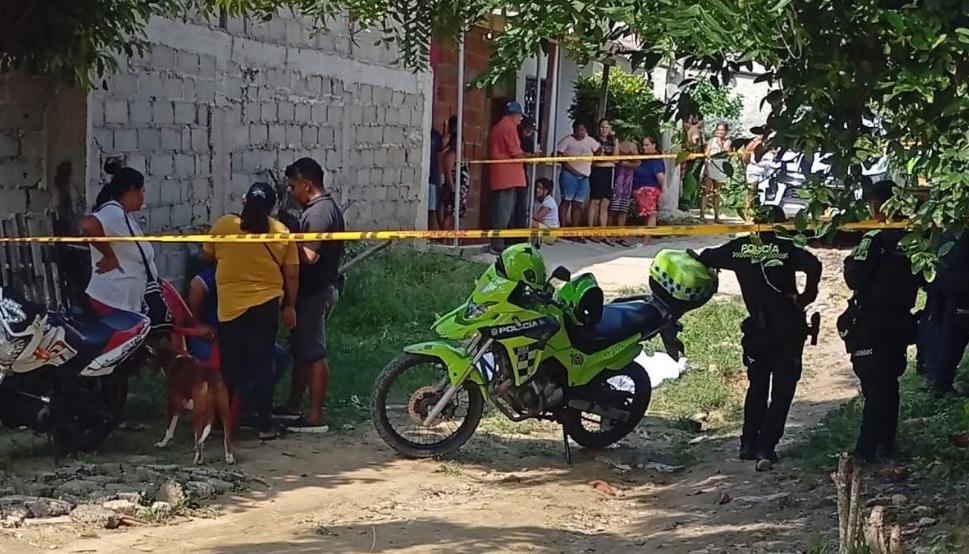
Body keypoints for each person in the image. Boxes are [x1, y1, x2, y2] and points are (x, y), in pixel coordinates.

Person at [699, 206, 822, 470]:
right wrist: (806, 297)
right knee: (782, 390)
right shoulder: (786, 248)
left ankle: (747, 444)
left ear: (755, 226)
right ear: (779, 227)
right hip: (788, 327)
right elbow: (814, 265)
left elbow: (706, 257)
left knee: (757, 386)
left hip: (759, 328)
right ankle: (766, 446)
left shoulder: (741, 248)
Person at [204, 182, 299, 441]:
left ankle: (216, 425)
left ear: (244, 200)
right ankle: (264, 426)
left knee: (229, 368)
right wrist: (290, 306)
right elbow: (291, 274)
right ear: (272, 207)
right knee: (262, 364)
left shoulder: (223, 225)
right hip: (266, 305)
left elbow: (207, 255)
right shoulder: (281, 232)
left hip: (230, 307)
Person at [838, 180, 921, 463]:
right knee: (890, 384)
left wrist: (849, 264)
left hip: (872, 321)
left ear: (876, 206)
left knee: (875, 386)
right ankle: (887, 445)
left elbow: (855, 277)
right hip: (900, 321)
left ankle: (866, 451)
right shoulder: (914, 239)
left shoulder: (874, 238)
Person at [281, 157, 345, 433]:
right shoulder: (319, 208)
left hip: (315, 291)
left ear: (307, 185)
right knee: (302, 350)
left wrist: (283, 240)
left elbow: (308, 256)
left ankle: (315, 416)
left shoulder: (319, 214)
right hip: (314, 290)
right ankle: (293, 407)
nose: (291, 192)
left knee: (314, 352)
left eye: (293, 186)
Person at [81, 161, 172, 329]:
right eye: (142, 191)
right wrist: (109, 256)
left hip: (124, 301)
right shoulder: (112, 212)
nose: (144, 197)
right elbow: (89, 225)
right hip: (113, 300)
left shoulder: (123, 215)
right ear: (132, 190)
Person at [185, 265, 292, 388]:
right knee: (247, 365)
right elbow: (196, 285)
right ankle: (240, 399)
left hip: (242, 335)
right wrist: (198, 324)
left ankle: (248, 397)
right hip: (210, 336)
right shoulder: (223, 271)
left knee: (282, 358)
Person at [919, 232, 969, 396]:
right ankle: (940, 383)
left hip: (944, 282)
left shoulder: (949, 228)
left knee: (940, 329)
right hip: (958, 286)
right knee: (953, 337)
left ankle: (934, 376)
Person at [487, 102, 536, 253]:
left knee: (502, 210)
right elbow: (515, 152)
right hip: (507, 176)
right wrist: (530, 156)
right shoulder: (509, 127)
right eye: (520, 116)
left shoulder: (500, 126)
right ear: (514, 115)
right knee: (503, 212)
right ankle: (498, 245)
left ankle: (500, 242)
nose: (521, 119)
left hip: (503, 175)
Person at [556, 121, 601, 234]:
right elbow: (558, 155)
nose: (580, 133)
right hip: (569, 174)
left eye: (582, 130)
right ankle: (562, 228)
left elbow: (598, 149)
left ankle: (574, 230)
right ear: (573, 130)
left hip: (584, 176)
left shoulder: (590, 141)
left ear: (585, 131)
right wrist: (571, 168)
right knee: (566, 200)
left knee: (578, 203)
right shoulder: (568, 140)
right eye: (577, 130)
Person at [631, 136, 666, 244]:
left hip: (649, 190)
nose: (644, 147)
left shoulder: (655, 159)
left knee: (651, 214)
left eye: (647, 145)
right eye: (643, 145)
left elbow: (660, 176)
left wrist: (664, 190)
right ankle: (645, 239)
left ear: (654, 145)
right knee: (647, 215)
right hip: (641, 190)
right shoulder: (646, 158)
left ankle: (646, 241)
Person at [588, 119, 616, 241]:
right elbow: (595, 161)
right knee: (594, 202)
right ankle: (590, 231)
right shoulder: (594, 141)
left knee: (605, 203)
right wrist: (606, 161)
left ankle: (602, 232)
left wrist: (616, 140)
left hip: (608, 174)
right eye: (602, 127)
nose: (604, 130)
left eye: (607, 127)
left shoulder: (612, 141)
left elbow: (616, 159)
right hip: (597, 173)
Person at [440, 115, 469, 232]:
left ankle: (450, 239)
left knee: (454, 216)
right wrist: (453, 191)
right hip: (453, 190)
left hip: (460, 191)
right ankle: (444, 239)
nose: (461, 146)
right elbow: (447, 174)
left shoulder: (458, 155)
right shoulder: (450, 155)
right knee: (449, 214)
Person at [609, 139, 639, 248]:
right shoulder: (615, 143)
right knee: (613, 207)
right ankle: (610, 233)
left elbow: (638, 162)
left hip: (628, 180)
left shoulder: (633, 145)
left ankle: (620, 235)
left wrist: (626, 163)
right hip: (617, 178)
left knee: (623, 208)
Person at [703, 122, 732, 223]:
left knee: (717, 192)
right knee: (706, 191)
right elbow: (707, 153)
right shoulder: (712, 141)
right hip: (711, 166)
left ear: (726, 131)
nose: (720, 132)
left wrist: (721, 145)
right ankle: (702, 216)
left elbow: (726, 153)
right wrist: (706, 165)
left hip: (721, 168)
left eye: (722, 130)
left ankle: (716, 216)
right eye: (718, 130)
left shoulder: (728, 142)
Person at [531, 178, 559, 247]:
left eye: (540, 188)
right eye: (537, 187)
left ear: (546, 190)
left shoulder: (549, 202)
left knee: (529, 221)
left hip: (550, 234)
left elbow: (537, 217)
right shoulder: (542, 200)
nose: (537, 190)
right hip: (547, 229)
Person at [428, 125, 442, 231]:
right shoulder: (433, 136)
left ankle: (436, 236)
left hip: (432, 178)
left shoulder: (435, 136)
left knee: (433, 210)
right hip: (429, 178)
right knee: (432, 212)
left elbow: (439, 156)